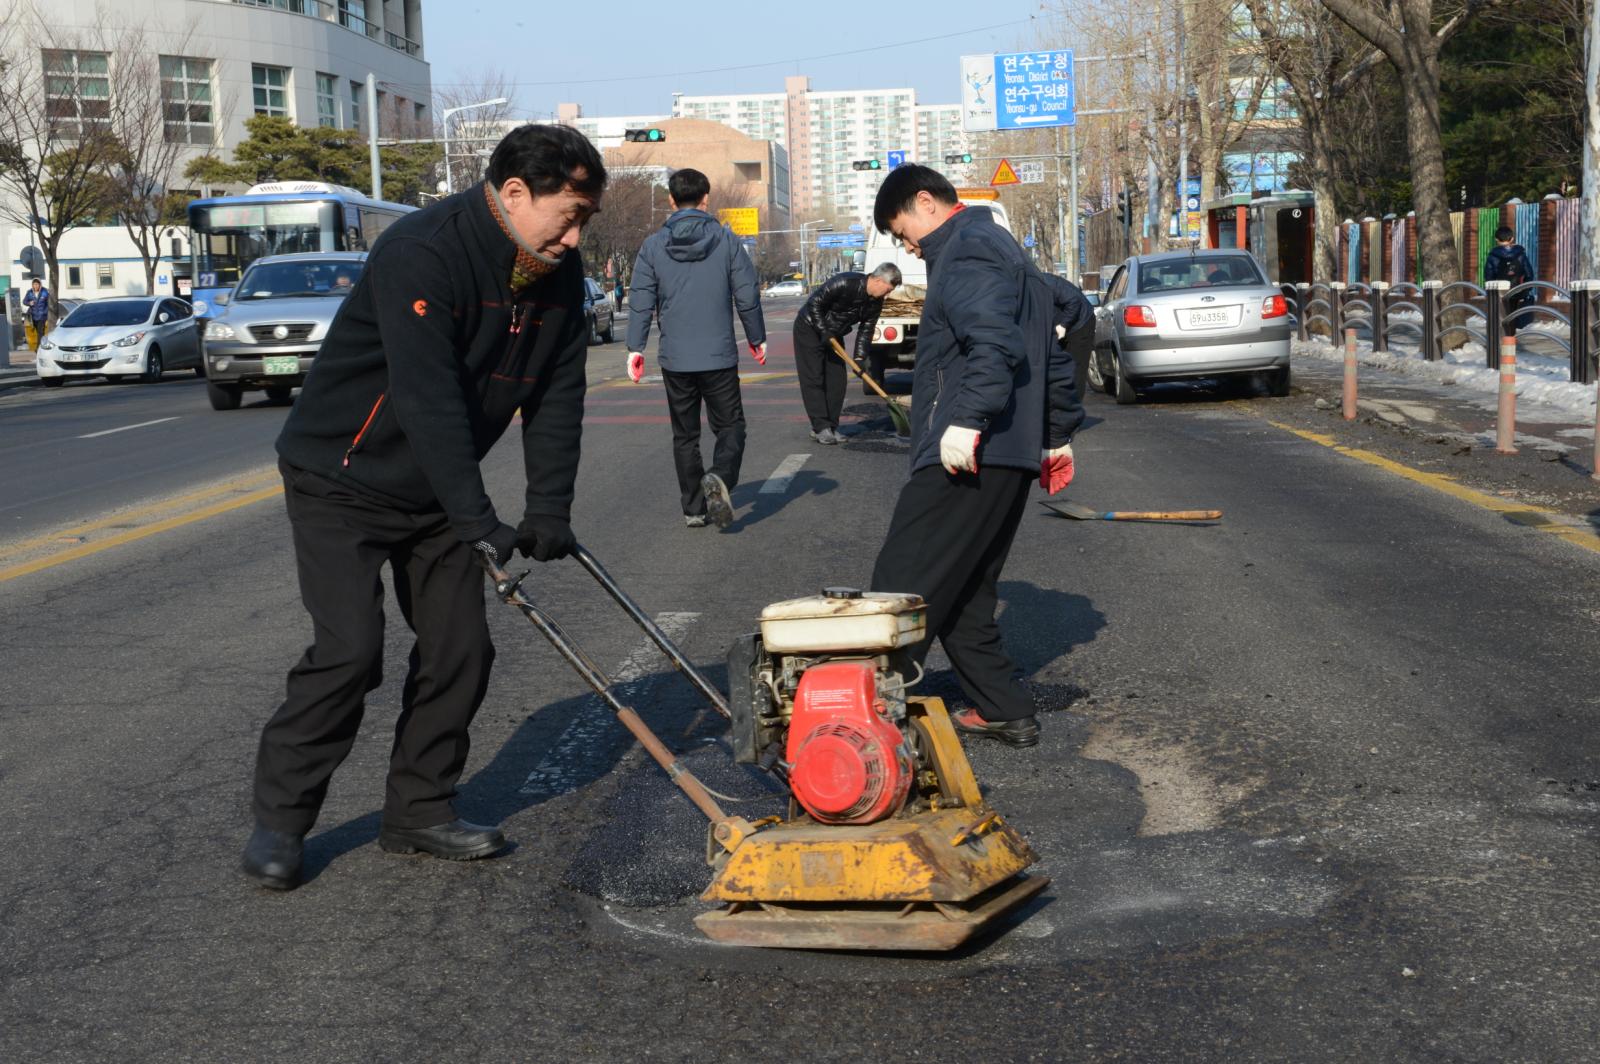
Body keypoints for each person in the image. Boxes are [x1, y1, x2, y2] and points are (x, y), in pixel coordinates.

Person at [241, 124, 606, 891]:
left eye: (584, 220)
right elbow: (428, 399)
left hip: (436, 492)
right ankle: (280, 821)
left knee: (460, 650)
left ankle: (417, 811)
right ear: (513, 193)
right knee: (350, 652)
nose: (574, 236)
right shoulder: (424, 248)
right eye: (567, 215)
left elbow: (558, 396)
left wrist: (548, 510)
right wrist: (479, 520)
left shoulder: (558, 278)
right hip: (340, 475)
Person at [866, 165, 1083, 749]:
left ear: (925, 201)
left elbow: (993, 342)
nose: (904, 244)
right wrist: (1056, 433)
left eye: (901, 229)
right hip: (1010, 451)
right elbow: (1057, 344)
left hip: (971, 447)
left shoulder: (966, 251)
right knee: (964, 589)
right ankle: (1002, 707)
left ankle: (864, 722)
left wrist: (966, 423)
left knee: (901, 580)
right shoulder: (1009, 252)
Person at [626, 168, 767, 529]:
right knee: (730, 425)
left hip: (675, 358)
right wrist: (756, 337)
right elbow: (747, 293)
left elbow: (642, 299)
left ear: (671, 201)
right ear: (706, 200)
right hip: (719, 354)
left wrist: (635, 348)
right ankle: (720, 475)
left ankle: (693, 508)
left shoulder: (654, 246)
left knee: (685, 435)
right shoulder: (725, 240)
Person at [793, 263, 901, 444]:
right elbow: (814, 303)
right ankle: (820, 427)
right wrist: (823, 330)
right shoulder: (845, 282)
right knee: (814, 378)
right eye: (887, 289)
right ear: (877, 280)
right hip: (809, 328)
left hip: (834, 334)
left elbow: (866, 330)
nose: (887, 294)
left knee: (838, 380)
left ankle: (832, 427)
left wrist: (859, 358)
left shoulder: (876, 301)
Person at [1039, 271, 1095, 408]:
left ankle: (1073, 412)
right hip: (1057, 328)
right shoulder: (1024, 289)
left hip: (1080, 324)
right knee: (1056, 369)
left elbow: (1074, 301)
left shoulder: (1047, 283)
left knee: (1076, 369)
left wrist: (1064, 325)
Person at [1485, 225, 1536, 336]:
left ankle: (1501, 341)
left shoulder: (1493, 256)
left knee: (1500, 316)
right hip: (1517, 291)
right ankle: (1510, 342)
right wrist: (1525, 290)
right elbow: (1529, 274)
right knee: (1513, 317)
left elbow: (1488, 276)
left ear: (1496, 240)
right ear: (1512, 238)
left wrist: (1490, 291)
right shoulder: (1520, 254)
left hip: (1499, 293)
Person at [22, 278, 50, 351]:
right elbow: (24, 301)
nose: (36, 286)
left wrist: (45, 312)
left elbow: (48, 303)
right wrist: (29, 303)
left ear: (40, 285)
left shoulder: (45, 292)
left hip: (42, 316)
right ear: (32, 285)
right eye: (34, 284)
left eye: (37, 284)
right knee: (36, 332)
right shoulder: (30, 292)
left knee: (40, 332)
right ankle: (40, 347)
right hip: (33, 316)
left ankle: (38, 349)